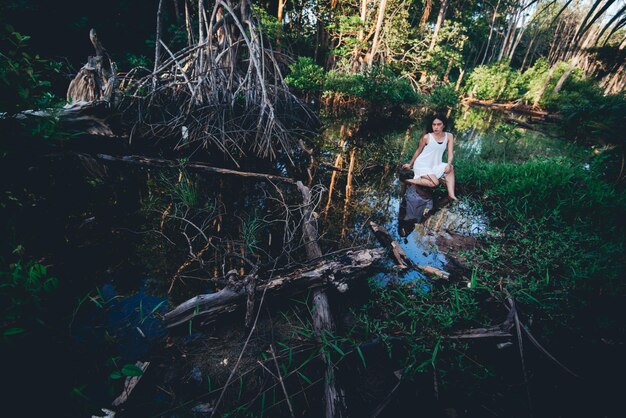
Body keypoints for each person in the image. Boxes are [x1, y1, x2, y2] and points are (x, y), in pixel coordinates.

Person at [401, 114, 457, 201]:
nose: (436, 127)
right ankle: (408, 181)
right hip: (422, 165)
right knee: (435, 183)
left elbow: (450, 153)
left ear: (444, 125)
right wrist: (410, 164)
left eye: (439, 124)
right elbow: (418, 151)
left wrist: (449, 164)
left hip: (435, 165)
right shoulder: (427, 137)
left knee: (451, 168)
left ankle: (451, 195)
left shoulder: (449, 136)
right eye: (434, 124)